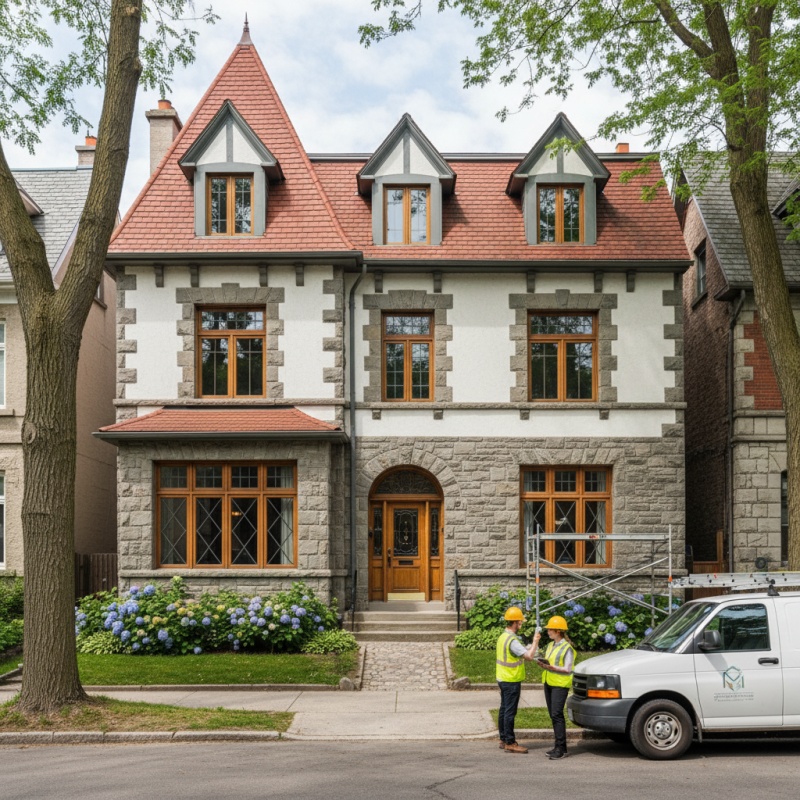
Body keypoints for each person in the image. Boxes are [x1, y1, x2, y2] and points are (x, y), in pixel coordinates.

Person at [532, 615, 576, 760]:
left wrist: (551, 667)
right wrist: (543, 664)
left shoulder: (567, 647)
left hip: (560, 684)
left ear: (558, 631)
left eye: (550, 629)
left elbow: (568, 668)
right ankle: (557, 746)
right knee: (553, 715)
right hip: (549, 682)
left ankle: (562, 749)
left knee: (557, 715)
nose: (548, 631)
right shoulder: (551, 645)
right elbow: (550, 661)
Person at [496, 606, 537, 754]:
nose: (521, 625)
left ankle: (502, 739)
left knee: (503, 710)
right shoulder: (512, 640)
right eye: (520, 622)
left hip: (502, 678)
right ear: (515, 623)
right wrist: (535, 641)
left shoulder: (503, 637)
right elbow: (529, 657)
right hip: (511, 680)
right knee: (509, 712)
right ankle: (510, 742)